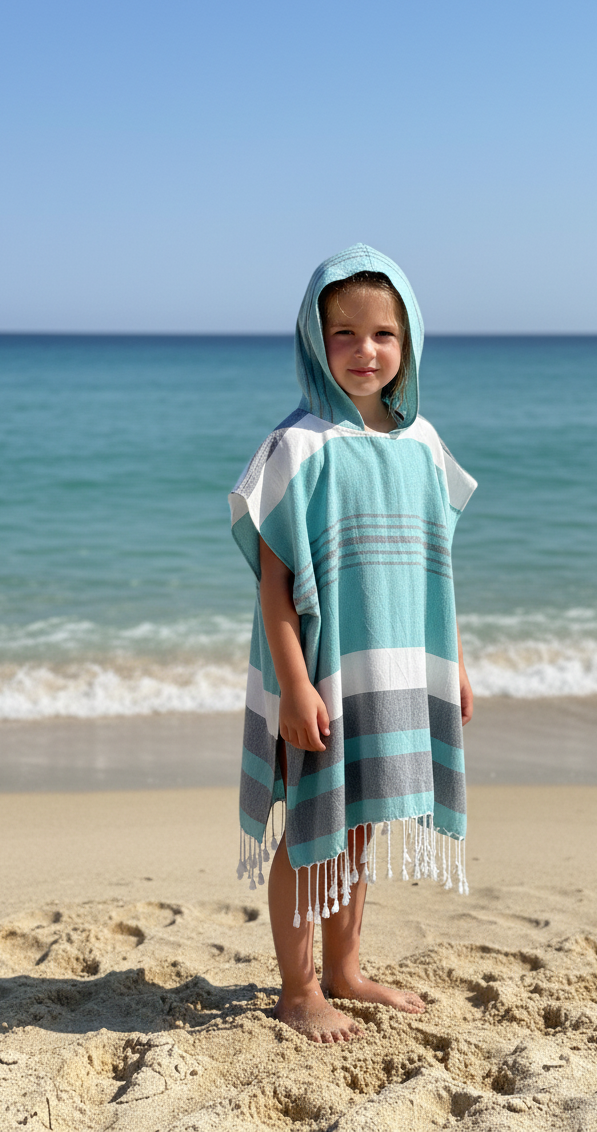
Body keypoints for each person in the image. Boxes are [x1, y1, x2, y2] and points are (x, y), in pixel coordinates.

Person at [228, 244, 476, 1043]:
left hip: (396, 668)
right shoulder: (295, 447)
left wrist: (456, 663)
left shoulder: (423, 444)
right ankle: (298, 989)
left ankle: (346, 970)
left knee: (361, 822)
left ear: (409, 345)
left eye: (384, 335)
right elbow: (275, 588)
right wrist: (296, 685)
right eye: (343, 333)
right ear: (313, 338)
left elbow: (438, 569)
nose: (364, 351)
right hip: (324, 674)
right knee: (312, 827)